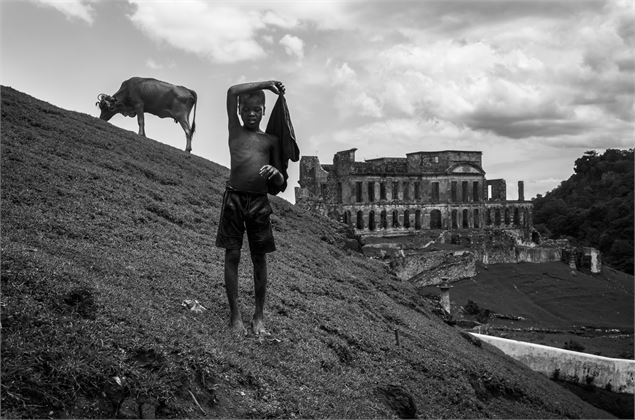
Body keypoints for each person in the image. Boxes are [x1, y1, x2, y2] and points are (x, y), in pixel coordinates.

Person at [216, 80, 286, 336]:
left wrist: (275, 172)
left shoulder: (271, 141)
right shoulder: (235, 130)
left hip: (259, 203)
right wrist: (268, 84)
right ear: (240, 111)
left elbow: (280, 183)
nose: (252, 114)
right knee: (232, 255)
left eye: (257, 109)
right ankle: (235, 316)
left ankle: (258, 316)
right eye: (247, 110)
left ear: (264, 110)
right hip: (234, 199)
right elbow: (231, 91)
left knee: (259, 258)